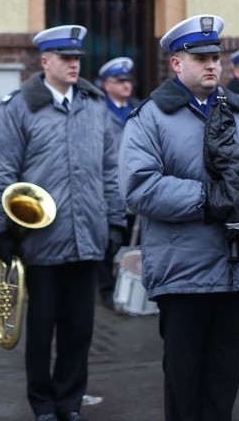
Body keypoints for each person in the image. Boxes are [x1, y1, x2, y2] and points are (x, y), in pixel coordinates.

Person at [118, 14, 239, 421]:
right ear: (176, 63)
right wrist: (209, 197)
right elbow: (139, 188)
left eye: (216, 56)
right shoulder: (151, 117)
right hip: (185, 274)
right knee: (184, 384)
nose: (212, 64)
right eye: (200, 57)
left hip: (237, 271)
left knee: (224, 382)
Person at [0, 25, 125, 421]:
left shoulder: (95, 106)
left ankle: (70, 402)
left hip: (88, 237)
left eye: (77, 58)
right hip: (39, 239)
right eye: (66, 58)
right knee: (42, 331)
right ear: (45, 62)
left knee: (79, 330)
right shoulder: (19, 108)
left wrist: (115, 222)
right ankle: (43, 404)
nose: (74, 65)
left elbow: (110, 169)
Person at [96, 56, 140, 308]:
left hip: (134, 184)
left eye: (128, 81)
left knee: (132, 240)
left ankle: (132, 288)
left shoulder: (138, 109)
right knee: (108, 241)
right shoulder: (100, 111)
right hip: (110, 185)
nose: (126, 85)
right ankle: (106, 290)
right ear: (106, 85)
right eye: (119, 81)